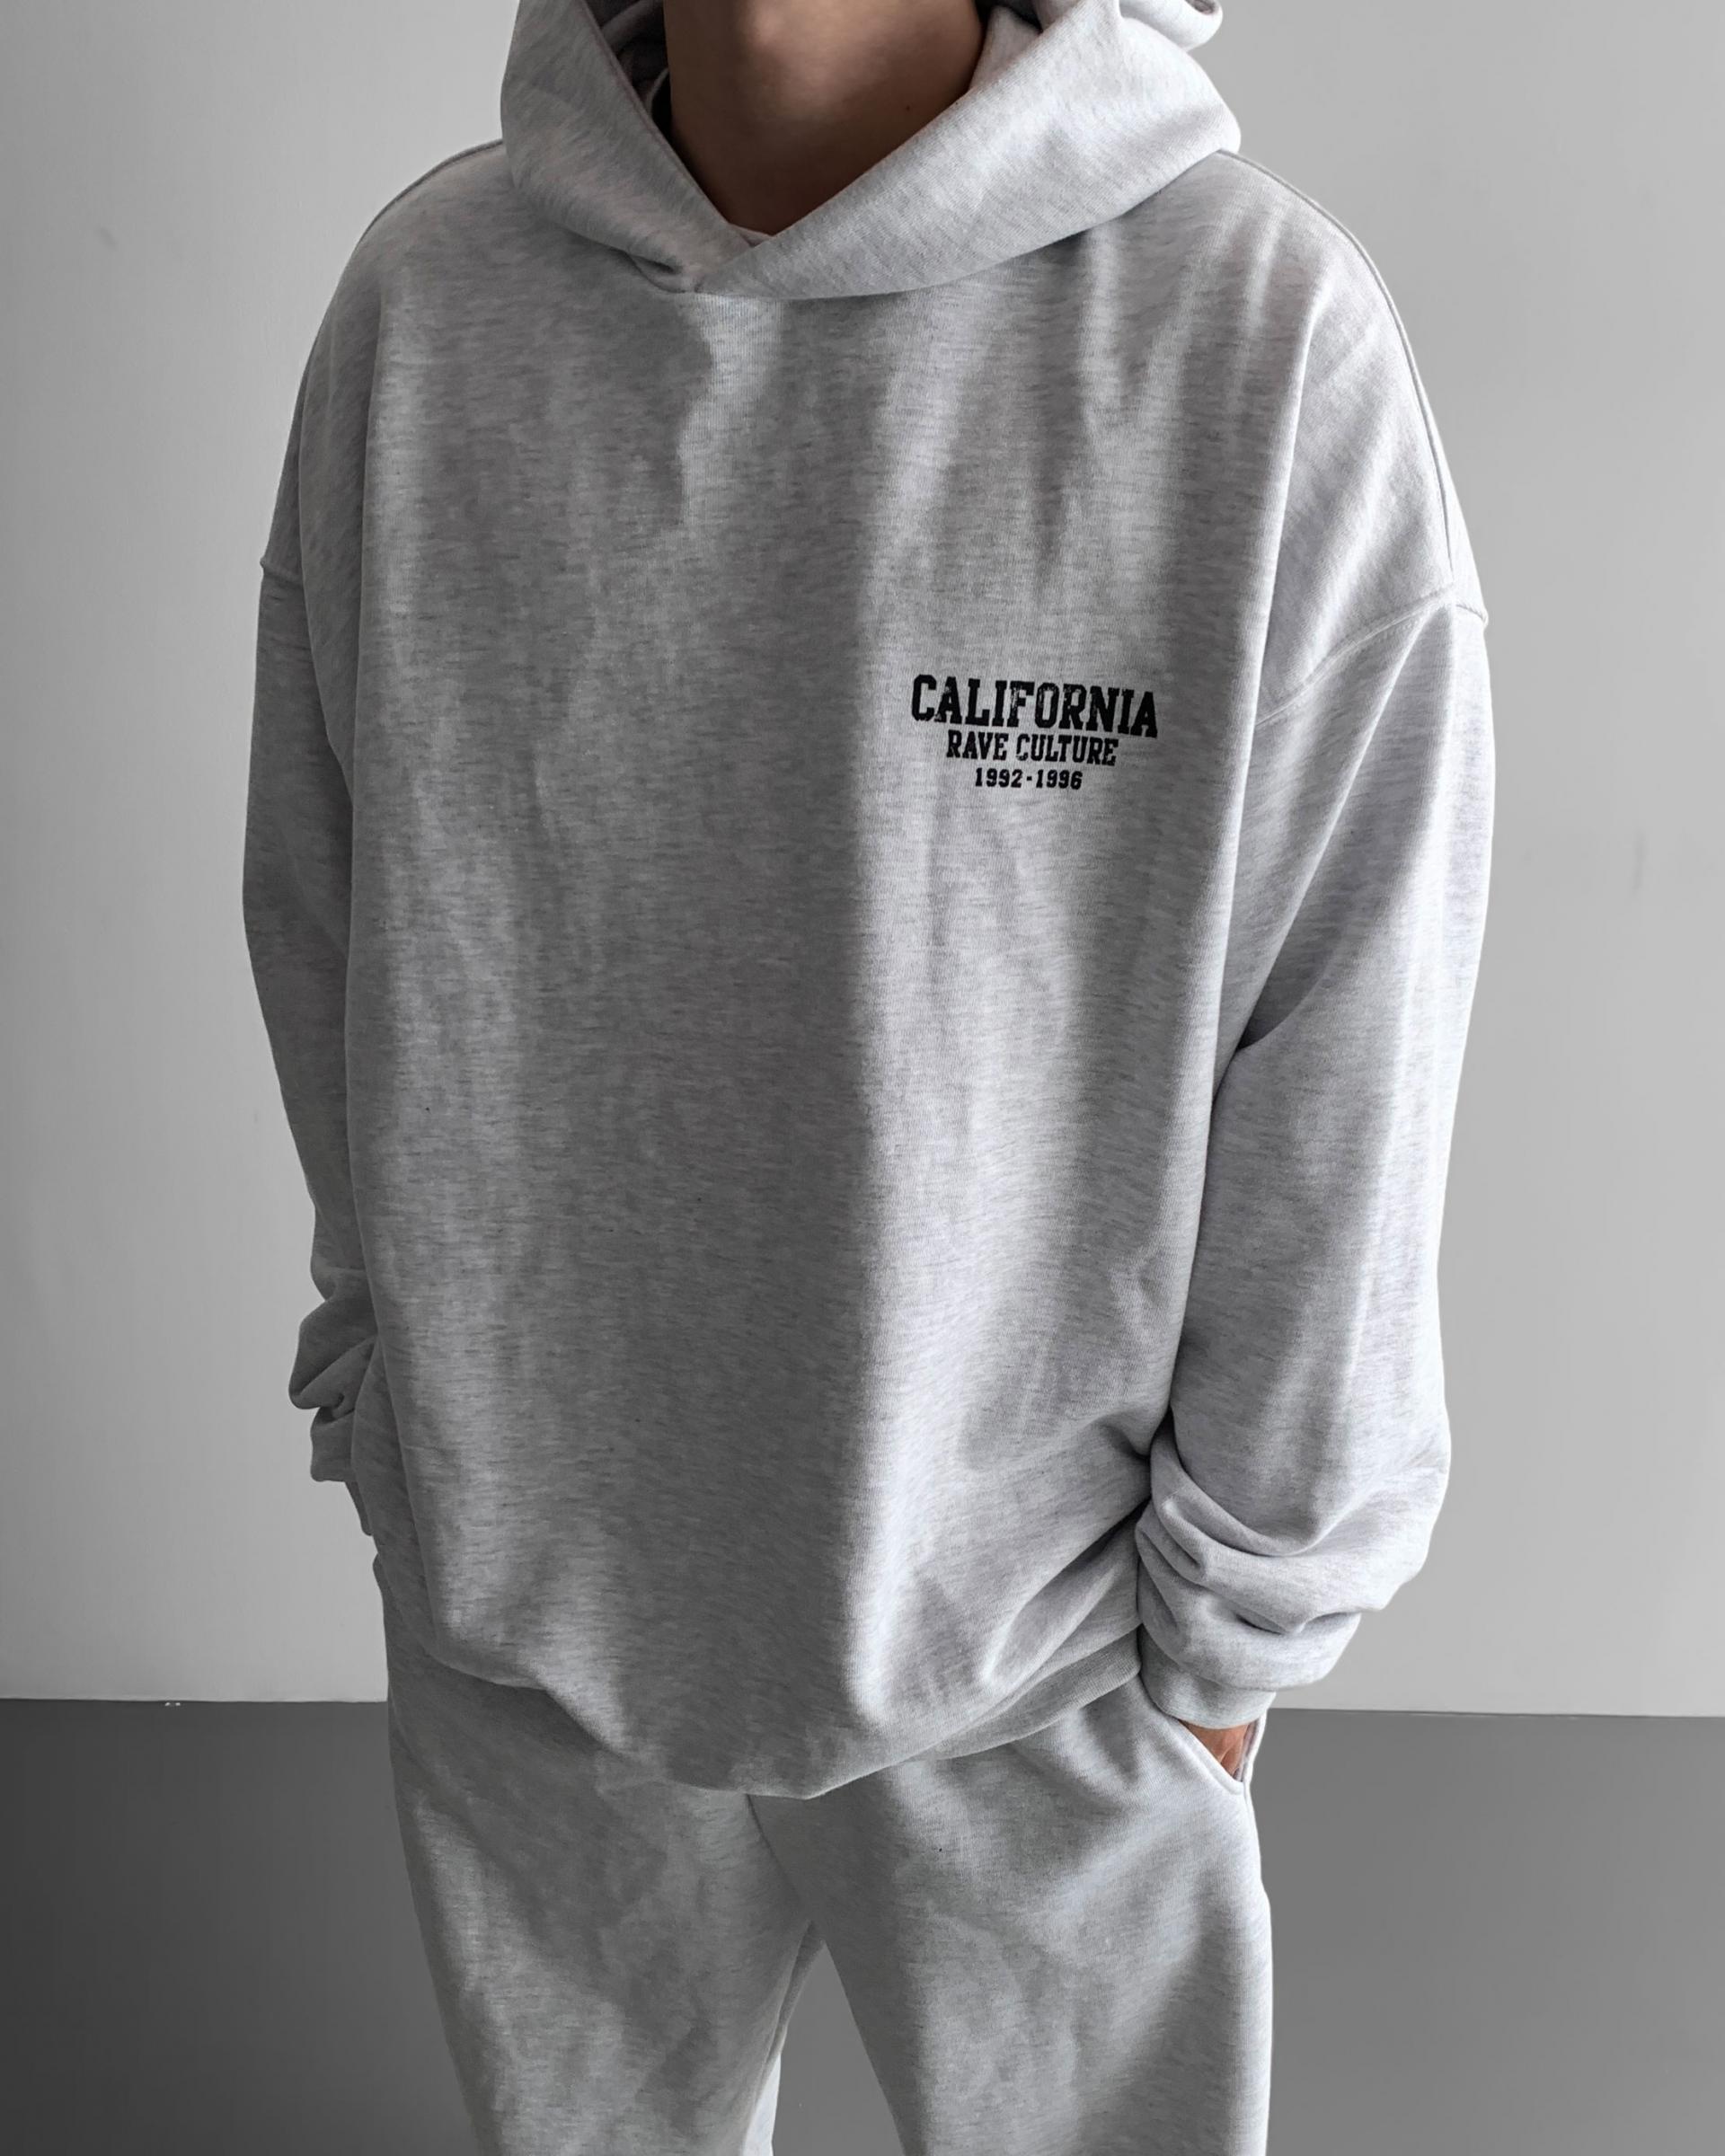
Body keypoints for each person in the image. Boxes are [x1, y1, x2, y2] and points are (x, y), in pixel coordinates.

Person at [241, 2, 1494, 2150]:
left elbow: (1349, 1022)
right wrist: (401, 1408)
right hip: (529, 1629)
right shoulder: (431, 311)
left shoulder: (1250, 334)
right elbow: (327, 897)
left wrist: (1237, 1629)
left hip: (1051, 1664)